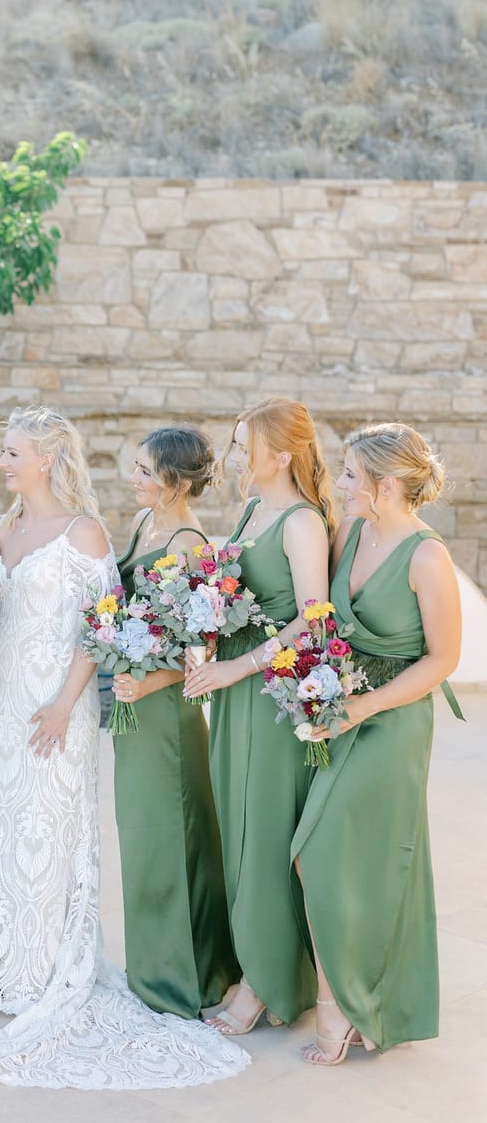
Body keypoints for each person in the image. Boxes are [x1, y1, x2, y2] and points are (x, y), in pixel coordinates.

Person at [0, 406, 249, 1089]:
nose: (2, 461)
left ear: (46, 458)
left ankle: (53, 971)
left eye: (13, 450)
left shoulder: (87, 532)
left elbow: (102, 624)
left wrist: (61, 702)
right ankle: (1, 972)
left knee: (50, 832)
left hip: (60, 703)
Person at [291, 422, 462, 1064]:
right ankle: (355, 1000)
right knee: (321, 853)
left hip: (393, 719)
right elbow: (327, 621)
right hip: (339, 707)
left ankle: (342, 1008)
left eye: (349, 474)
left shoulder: (427, 557)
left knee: (348, 855)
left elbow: (442, 660)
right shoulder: (349, 531)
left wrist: (362, 704)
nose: (339, 484)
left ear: (385, 485)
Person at [183, 396, 336, 1034]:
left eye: (245, 446)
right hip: (233, 684)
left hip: (269, 694)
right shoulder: (250, 510)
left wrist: (238, 668)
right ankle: (254, 965)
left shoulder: (300, 523)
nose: (234, 456)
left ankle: (263, 982)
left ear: (280, 455)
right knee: (238, 827)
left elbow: (313, 618)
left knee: (265, 831)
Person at [111, 426, 239, 1018]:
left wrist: (149, 681)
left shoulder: (191, 544)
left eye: (144, 470)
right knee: (142, 838)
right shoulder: (143, 526)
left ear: (176, 482)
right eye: (134, 467)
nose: (133, 478)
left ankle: (186, 974)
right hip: (133, 706)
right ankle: (154, 965)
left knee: (172, 836)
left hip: (167, 709)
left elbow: (205, 646)